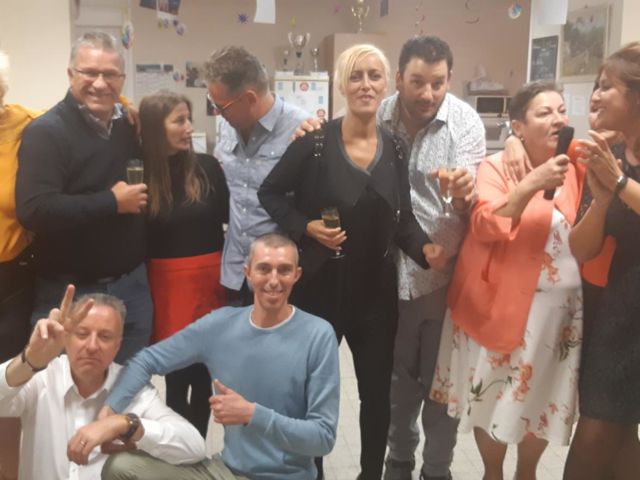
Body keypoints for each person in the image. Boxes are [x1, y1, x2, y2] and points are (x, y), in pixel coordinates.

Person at [259, 44, 446, 480]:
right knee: (313, 395)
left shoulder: (395, 147)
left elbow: (403, 219)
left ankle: (370, 475)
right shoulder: (314, 144)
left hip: (376, 294)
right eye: (356, 76)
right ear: (342, 85)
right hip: (318, 290)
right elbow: (270, 193)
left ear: (386, 84)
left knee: (377, 396)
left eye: (374, 76)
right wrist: (305, 227)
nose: (365, 85)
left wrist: (426, 251)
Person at [428, 81, 583, 480]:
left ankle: (526, 474)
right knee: (494, 395)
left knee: (541, 397)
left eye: (561, 111)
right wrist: (532, 181)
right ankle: (493, 473)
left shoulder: (576, 164)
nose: (557, 119)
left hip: (558, 318)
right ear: (518, 126)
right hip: (500, 308)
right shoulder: (496, 167)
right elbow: (484, 224)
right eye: (544, 112)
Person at [100, 233, 340, 480]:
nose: (274, 280)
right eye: (264, 269)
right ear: (247, 272)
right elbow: (146, 360)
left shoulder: (318, 335)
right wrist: (109, 410)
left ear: (297, 275)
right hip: (226, 472)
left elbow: (323, 438)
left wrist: (252, 414)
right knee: (121, 468)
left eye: (284, 270)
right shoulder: (220, 325)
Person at [379, 36, 484, 480]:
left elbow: (471, 203)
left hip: (443, 278)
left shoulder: (465, 123)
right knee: (394, 381)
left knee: (441, 383)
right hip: (383, 276)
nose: (427, 93)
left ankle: (437, 469)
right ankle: (398, 461)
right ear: (399, 78)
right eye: (417, 82)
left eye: (437, 83)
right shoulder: (379, 115)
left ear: (449, 79)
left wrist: (462, 194)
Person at [15, 32, 152, 364]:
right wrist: (111, 202)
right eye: (90, 73)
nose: (100, 83)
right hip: (70, 292)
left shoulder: (127, 126)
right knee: (66, 387)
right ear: (70, 74)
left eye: (110, 74)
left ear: (122, 79)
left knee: (127, 384)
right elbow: (35, 209)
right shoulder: (46, 132)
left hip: (131, 287)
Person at [0, 285, 206, 480]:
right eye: (82, 334)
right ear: (67, 337)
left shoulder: (131, 388)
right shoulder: (42, 376)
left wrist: (125, 424)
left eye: (105, 337)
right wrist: (30, 361)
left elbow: (194, 446)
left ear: (118, 345)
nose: (92, 346)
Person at [564, 42, 640, 480]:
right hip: (611, 311)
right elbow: (582, 247)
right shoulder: (610, 156)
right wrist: (603, 199)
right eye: (596, 85)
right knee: (619, 432)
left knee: (597, 435)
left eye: (606, 86)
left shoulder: (619, 168)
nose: (595, 95)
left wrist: (622, 184)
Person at [139, 90, 229, 438]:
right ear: (154, 127)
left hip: (209, 282)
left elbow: (228, 216)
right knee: (176, 376)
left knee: (205, 374)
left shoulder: (207, 168)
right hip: (167, 286)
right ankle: (179, 451)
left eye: (188, 119)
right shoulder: (141, 173)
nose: (189, 127)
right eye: (179, 120)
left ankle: (196, 448)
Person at [204, 46, 309, 306]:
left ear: (249, 98)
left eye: (221, 107)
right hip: (236, 274)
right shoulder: (228, 127)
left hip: (279, 281)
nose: (218, 113)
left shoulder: (302, 130)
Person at [0, 48, 41, 480]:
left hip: (10, 278)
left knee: (6, 393)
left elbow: (80, 112)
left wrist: (127, 107)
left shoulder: (24, 123)